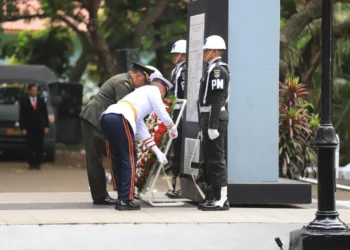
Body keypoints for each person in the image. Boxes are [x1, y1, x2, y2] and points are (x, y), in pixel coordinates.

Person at [79, 62, 157, 205]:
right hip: (94, 119)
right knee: (95, 160)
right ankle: (99, 196)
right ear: (137, 75)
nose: (143, 85)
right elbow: (124, 108)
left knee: (98, 159)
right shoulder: (123, 83)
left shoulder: (125, 81)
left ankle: (101, 194)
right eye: (144, 81)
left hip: (99, 120)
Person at [100, 73, 178, 211]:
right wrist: (171, 126)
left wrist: (157, 151)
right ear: (161, 90)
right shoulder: (153, 90)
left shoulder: (138, 97)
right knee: (129, 159)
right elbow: (161, 112)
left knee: (117, 158)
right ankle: (125, 200)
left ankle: (121, 196)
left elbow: (142, 129)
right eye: (164, 96)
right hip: (121, 118)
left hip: (107, 117)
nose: (162, 99)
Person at [197, 35, 231, 211]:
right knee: (210, 159)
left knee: (217, 158)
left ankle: (222, 198)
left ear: (216, 51)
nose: (204, 53)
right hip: (208, 117)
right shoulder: (210, 69)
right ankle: (214, 196)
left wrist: (213, 125)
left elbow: (217, 99)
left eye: (207, 50)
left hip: (214, 117)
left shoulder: (218, 70)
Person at [166, 39, 187, 199]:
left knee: (180, 148)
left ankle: (181, 186)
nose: (173, 57)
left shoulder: (185, 70)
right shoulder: (176, 70)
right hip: (175, 112)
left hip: (183, 112)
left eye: (176, 54)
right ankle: (174, 185)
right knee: (175, 148)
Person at [19, 84, 50, 170]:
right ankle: (31, 163)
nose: (34, 92)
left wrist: (46, 126)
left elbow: (45, 114)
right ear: (29, 91)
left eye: (36, 90)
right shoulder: (24, 100)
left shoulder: (41, 100)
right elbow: (22, 115)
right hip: (29, 126)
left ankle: (38, 163)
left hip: (39, 126)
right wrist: (23, 127)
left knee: (39, 145)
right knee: (30, 145)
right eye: (33, 90)